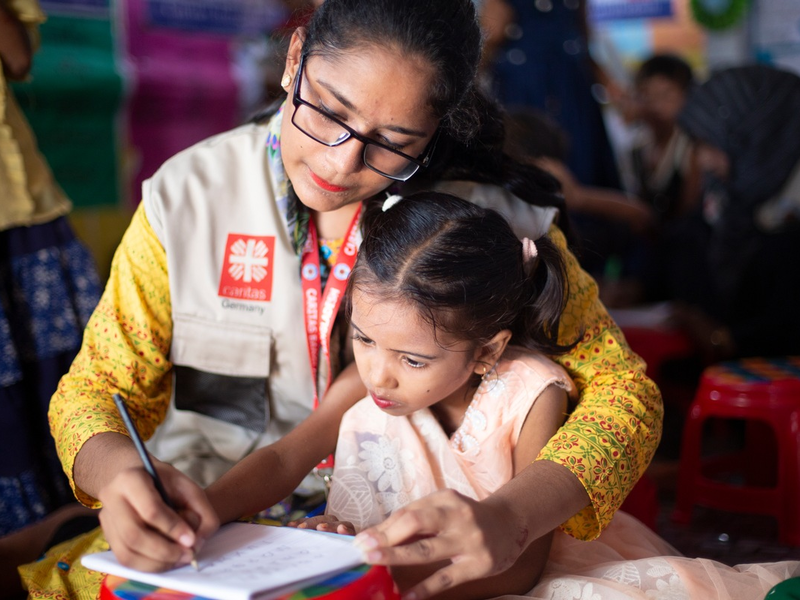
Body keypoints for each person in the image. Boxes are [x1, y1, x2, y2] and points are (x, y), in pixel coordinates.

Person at [33, 0, 661, 596]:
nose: (341, 161)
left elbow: (624, 395)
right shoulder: (188, 196)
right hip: (208, 523)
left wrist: (513, 516)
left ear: (435, 127)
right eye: (328, 112)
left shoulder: (496, 222)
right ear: (294, 58)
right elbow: (95, 389)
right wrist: (121, 479)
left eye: (392, 142)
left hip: (410, 533)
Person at [209, 192, 798, 600]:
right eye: (362, 338)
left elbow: (524, 566)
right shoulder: (361, 383)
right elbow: (285, 460)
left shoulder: (529, 393)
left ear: (487, 351)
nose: (379, 375)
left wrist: (388, 583)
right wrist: (207, 511)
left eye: (413, 359)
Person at [666, 64, 800, 361]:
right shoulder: (734, 196)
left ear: (759, 133)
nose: (702, 161)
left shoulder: (788, 222)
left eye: (711, 144)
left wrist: (719, 337)